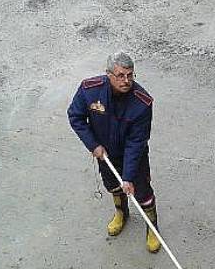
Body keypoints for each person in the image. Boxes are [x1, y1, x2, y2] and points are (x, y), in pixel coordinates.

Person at [67, 52, 161, 253]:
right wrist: (93, 145)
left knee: (142, 194)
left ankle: (153, 228)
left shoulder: (142, 103)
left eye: (130, 75)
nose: (126, 80)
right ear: (108, 74)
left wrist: (128, 177)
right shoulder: (89, 90)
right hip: (105, 154)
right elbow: (75, 116)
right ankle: (121, 213)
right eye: (120, 75)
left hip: (133, 157)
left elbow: (136, 142)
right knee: (113, 187)